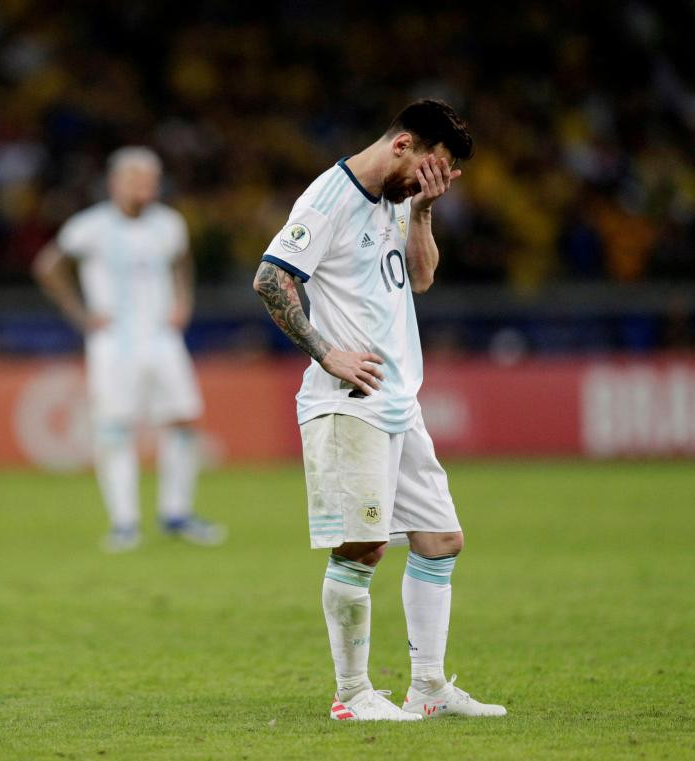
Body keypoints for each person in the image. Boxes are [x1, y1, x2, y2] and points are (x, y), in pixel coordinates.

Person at [252, 100, 505, 720]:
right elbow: (270, 279)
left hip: (399, 401)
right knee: (362, 548)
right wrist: (326, 352)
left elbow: (420, 279)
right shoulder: (328, 199)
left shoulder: (397, 199)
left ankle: (428, 688)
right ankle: (352, 694)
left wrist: (421, 211)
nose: (433, 181)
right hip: (350, 401)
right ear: (402, 146)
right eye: (431, 169)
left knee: (441, 540)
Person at [33, 147, 226, 552]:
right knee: (116, 430)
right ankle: (124, 523)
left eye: (151, 181)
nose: (147, 188)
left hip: (162, 339)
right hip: (113, 344)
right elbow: (47, 265)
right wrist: (81, 314)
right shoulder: (91, 227)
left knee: (182, 421)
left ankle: (176, 513)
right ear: (116, 182)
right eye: (138, 180)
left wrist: (182, 301)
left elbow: (182, 262)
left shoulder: (169, 225)